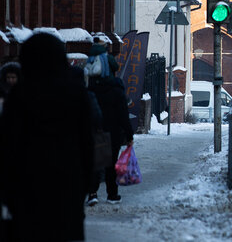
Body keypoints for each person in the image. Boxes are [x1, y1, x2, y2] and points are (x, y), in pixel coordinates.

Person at [0, 33, 94, 241]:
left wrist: (8, 192)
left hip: (27, 188)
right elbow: (87, 143)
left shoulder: (20, 94)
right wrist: (84, 185)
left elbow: (8, 145)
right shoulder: (75, 92)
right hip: (67, 185)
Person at [87, 39, 133, 206]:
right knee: (110, 164)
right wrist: (129, 134)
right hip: (112, 132)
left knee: (94, 162)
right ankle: (112, 195)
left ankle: (92, 193)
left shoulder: (90, 89)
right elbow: (123, 115)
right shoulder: (116, 90)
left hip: (94, 130)